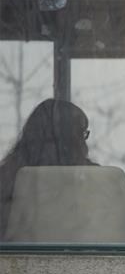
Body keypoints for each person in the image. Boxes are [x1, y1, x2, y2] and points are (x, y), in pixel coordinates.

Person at [0, 99, 95, 238]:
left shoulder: (6, 180)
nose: (84, 144)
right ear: (70, 141)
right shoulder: (95, 179)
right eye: (80, 134)